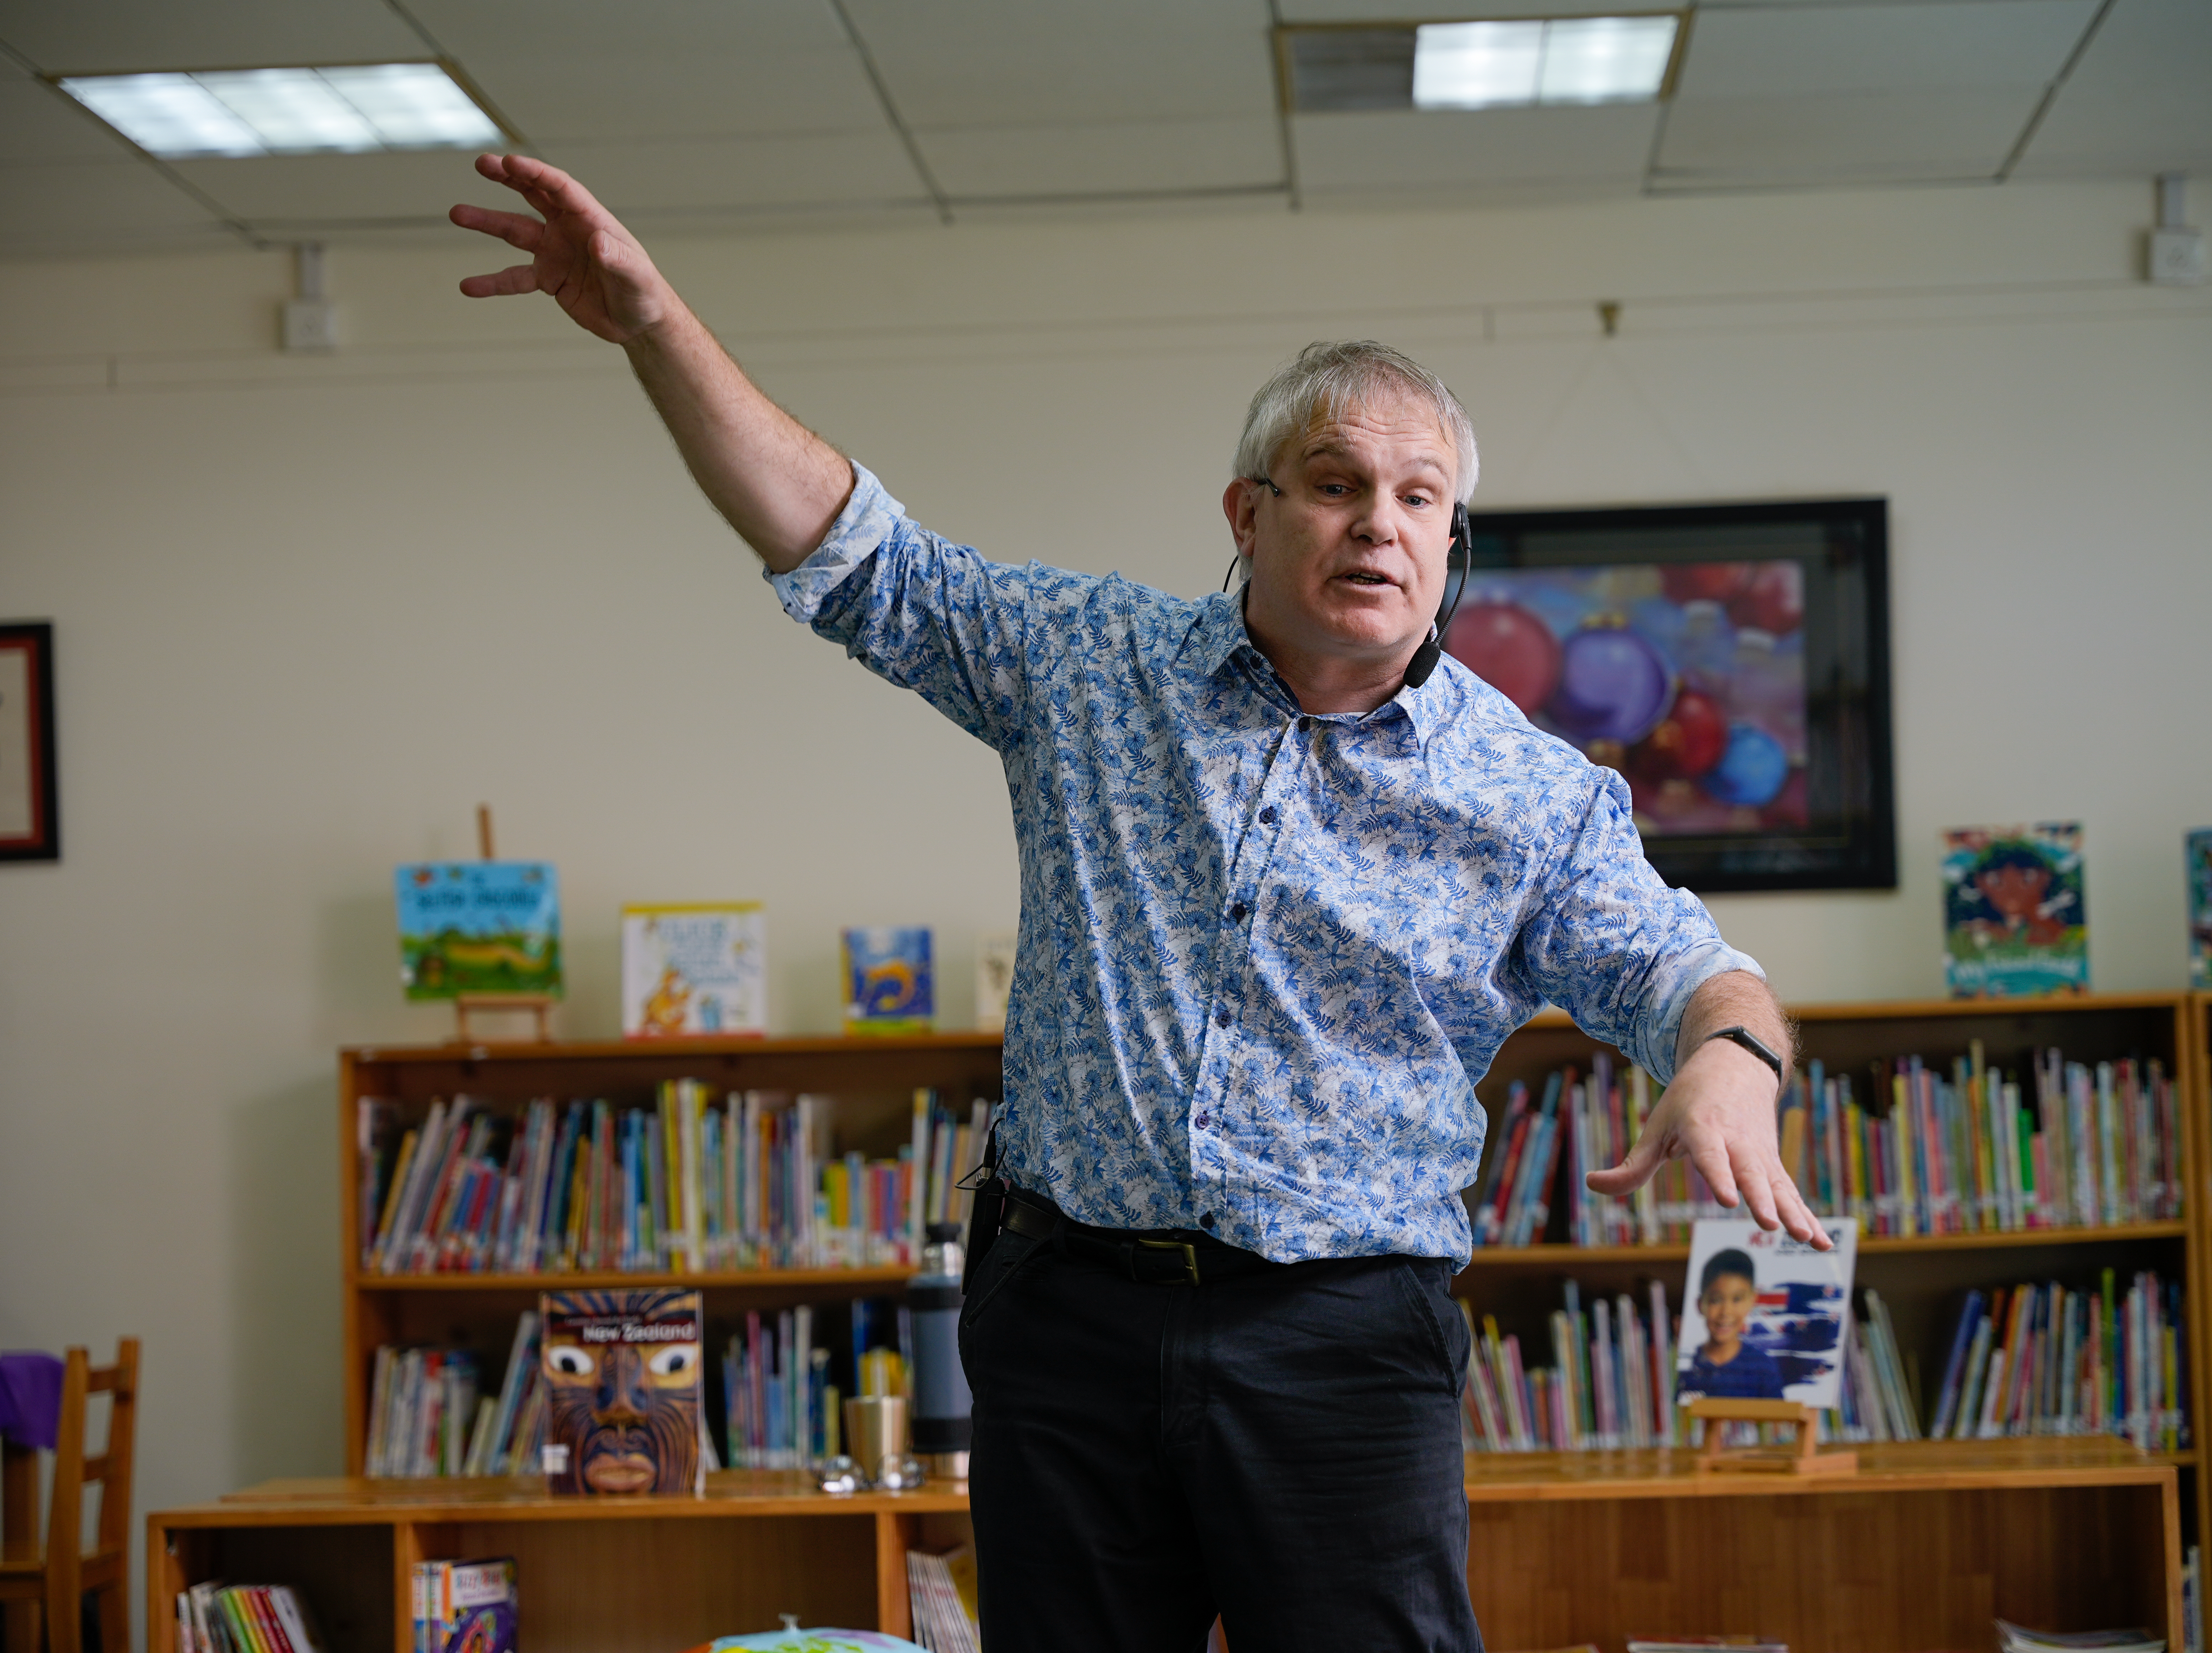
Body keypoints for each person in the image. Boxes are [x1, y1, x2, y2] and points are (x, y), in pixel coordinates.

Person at [451, 152, 1831, 1653]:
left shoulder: (1527, 793)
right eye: (1332, 483)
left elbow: (1696, 973)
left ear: (1451, 546)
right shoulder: (1091, 664)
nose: (1375, 520)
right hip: (1068, 1328)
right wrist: (656, 323)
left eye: (1414, 496)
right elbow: (846, 549)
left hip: (1342, 1346)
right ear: (1245, 512)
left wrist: (1725, 1062)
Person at [1677, 1248, 1786, 1402]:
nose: (1726, 1312)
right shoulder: (1687, 1365)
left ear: (1752, 1301)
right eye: (1716, 1300)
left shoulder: (1763, 1368)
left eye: (1737, 1300)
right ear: (1700, 1305)